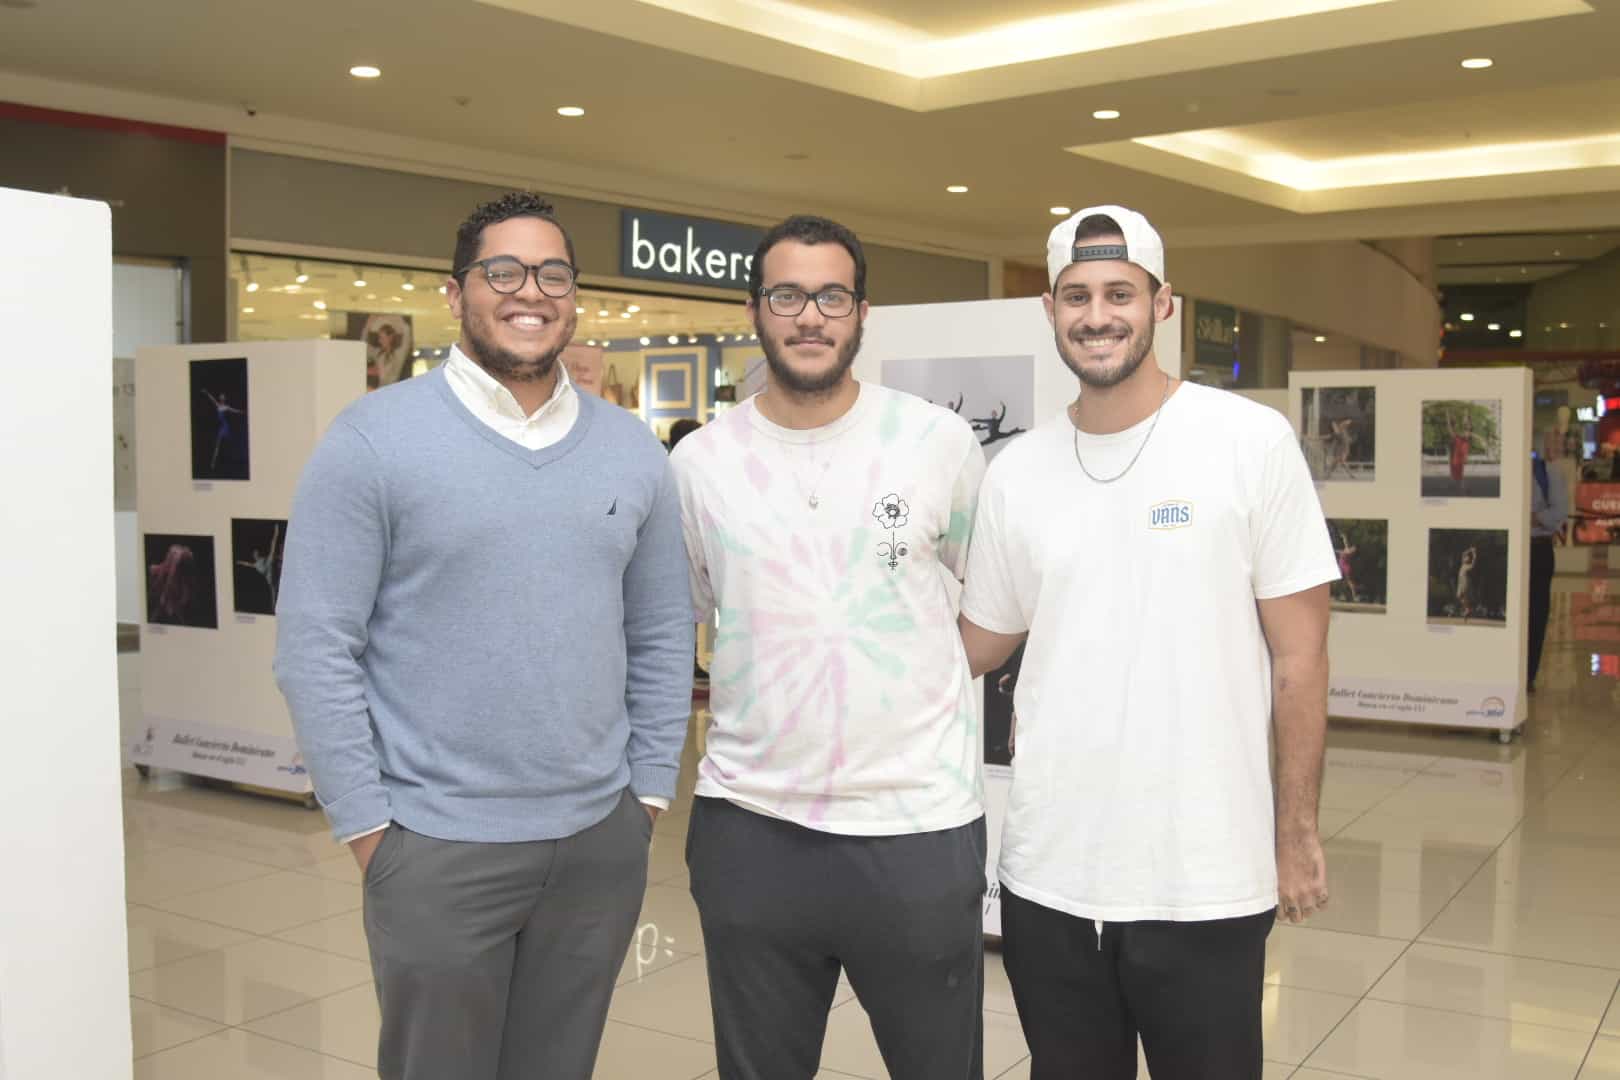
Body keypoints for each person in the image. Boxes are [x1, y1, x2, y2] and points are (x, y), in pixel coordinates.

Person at [274, 191, 693, 1080]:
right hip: (434, 843)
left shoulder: (632, 450)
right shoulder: (372, 443)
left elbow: (661, 632)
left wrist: (648, 793)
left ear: (573, 295)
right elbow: (315, 647)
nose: (528, 291)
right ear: (455, 294)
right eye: (501, 271)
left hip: (596, 841)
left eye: (551, 274)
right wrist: (368, 829)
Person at [957, 205, 1340, 1080]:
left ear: (1164, 304)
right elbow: (980, 641)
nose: (1098, 314)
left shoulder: (1247, 442)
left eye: (1120, 293)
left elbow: (1302, 657)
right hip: (1048, 874)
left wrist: (1297, 831)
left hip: (1202, 874)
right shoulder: (1018, 472)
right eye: (1077, 294)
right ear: (1049, 311)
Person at [670, 214, 989, 1080]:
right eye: (787, 295)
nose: (810, 316)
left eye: (831, 296)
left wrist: (911, 681)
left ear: (861, 312)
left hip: (915, 829)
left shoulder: (938, 444)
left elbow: (990, 605)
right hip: (751, 829)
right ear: (755, 310)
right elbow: (694, 614)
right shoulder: (700, 464)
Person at [235, 523, 281, 609]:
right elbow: (248, 564)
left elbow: (272, 550)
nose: (257, 553)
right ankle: (274, 606)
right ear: (254, 556)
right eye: (255, 553)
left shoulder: (262, 558)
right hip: (268, 574)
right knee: (273, 590)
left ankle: (276, 531)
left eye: (257, 552)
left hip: (268, 564)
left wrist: (275, 534)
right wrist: (240, 562)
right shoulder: (255, 564)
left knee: (273, 546)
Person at [200, 388, 243, 471]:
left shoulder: (226, 407)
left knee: (228, 441)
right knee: (217, 444)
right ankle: (213, 463)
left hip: (225, 426)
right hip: (220, 426)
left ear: (224, 399)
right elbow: (211, 398)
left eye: (223, 398)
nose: (222, 398)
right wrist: (206, 392)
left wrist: (241, 412)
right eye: (221, 397)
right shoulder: (218, 405)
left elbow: (234, 410)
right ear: (220, 399)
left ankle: (233, 458)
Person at [1448, 409, 1472, 494]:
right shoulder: (1456, 437)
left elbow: (1467, 428)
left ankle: (1462, 488)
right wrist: (1449, 416)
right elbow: (1451, 428)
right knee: (1457, 476)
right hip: (1456, 458)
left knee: (1459, 475)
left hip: (1459, 458)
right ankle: (1461, 488)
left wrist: (1466, 415)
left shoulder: (1463, 437)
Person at [1456, 544, 1478, 622]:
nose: (1465, 558)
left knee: (1463, 597)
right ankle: (1467, 609)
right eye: (1465, 557)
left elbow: (1474, 562)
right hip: (1460, 582)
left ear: (1468, 560)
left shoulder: (1468, 566)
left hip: (1465, 582)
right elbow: (1463, 553)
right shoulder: (1463, 564)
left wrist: (1474, 553)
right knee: (1458, 596)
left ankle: (1467, 610)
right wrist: (1470, 549)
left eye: (1467, 558)